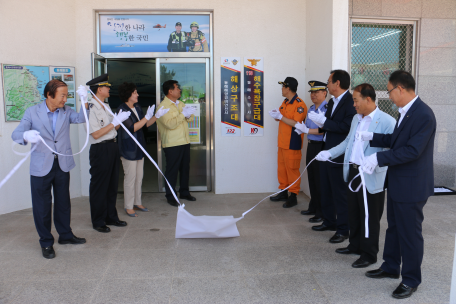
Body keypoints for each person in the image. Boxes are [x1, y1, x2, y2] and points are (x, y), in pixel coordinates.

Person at [358, 71, 436, 299]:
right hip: (398, 182)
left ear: (400, 89)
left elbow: (412, 150)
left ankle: (411, 280)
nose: (389, 96)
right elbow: (396, 140)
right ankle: (391, 266)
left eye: (390, 91)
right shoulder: (406, 112)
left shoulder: (423, 114)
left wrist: (379, 158)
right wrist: (370, 136)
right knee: (393, 227)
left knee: (410, 234)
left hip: (412, 186)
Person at [315, 83, 395, 268]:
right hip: (353, 170)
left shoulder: (387, 121)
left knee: (370, 216)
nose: (354, 105)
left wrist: (376, 160)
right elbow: (347, 143)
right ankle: (355, 245)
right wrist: (329, 153)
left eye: (356, 100)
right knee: (354, 212)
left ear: (368, 99)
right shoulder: (356, 119)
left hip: (371, 173)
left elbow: (393, 150)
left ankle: (369, 254)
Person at [11, 79, 88, 259]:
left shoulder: (66, 111)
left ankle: (66, 235)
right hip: (40, 167)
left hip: (62, 164)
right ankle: (46, 242)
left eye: (67, 95)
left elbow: (82, 118)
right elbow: (16, 134)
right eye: (62, 95)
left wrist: (84, 100)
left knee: (63, 203)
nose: (65, 99)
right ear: (49, 95)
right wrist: (25, 135)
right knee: (42, 207)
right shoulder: (32, 112)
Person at [309, 70, 356, 244]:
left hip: (339, 152)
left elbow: (345, 127)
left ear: (337, 83)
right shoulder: (332, 101)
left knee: (339, 192)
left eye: (329, 81)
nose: (327, 85)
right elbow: (328, 124)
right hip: (326, 149)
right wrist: (323, 121)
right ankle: (329, 221)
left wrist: (324, 122)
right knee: (326, 188)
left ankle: (343, 229)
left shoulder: (350, 102)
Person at [117, 82, 169, 217]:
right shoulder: (122, 109)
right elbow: (132, 127)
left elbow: (145, 125)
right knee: (130, 178)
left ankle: (137, 202)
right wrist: (146, 117)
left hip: (139, 148)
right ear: (128, 94)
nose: (137, 95)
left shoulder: (137, 107)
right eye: (135, 92)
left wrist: (156, 116)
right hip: (128, 149)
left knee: (139, 177)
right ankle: (128, 206)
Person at [87, 74, 130, 233]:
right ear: (99, 89)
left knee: (112, 186)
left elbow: (114, 128)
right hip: (100, 148)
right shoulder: (90, 107)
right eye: (107, 87)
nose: (109, 89)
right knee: (100, 186)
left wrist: (118, 121)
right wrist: (114, 122)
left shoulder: (105, 105)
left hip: (112, 146)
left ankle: (111, 216)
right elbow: (96, 134)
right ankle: (98, 220)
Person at [156, 80, 197, 206]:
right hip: (172, 144)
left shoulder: (180, 104)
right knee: (172, 170)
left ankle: (184, 192)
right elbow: (170, 124)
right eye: (177, 88)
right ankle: (171, 195)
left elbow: (191, 118)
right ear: (170, 91)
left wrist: (188, 114)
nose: (180, 90)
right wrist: (182, 115)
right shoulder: (163, 107)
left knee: (185, 168)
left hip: (184, 141)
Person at [268, 77, 307, 208]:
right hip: (282, 142)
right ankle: (283, 192)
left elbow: (296, 123)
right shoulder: (285, 102)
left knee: (292, 169)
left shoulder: (299, 104)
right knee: (282, 169)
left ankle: (293, 196)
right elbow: (281, 118)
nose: (281, 89)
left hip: (292, 143)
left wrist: (280, 117)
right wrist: (276, 115)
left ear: (288, 88)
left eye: (283, 87)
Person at [295, 81, 328, 223]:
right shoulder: (311, 108)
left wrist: (307, 131)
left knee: (320, 180)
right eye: (312, 92)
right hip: (311, 145)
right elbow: (307, 125)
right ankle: (313, 206)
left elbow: (325, 129)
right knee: (312, 178)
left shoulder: (327, 109)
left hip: (321, 146)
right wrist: (301, 128)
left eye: (317, 92)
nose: (313, 95)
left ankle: (321, 212)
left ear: (324, 93)